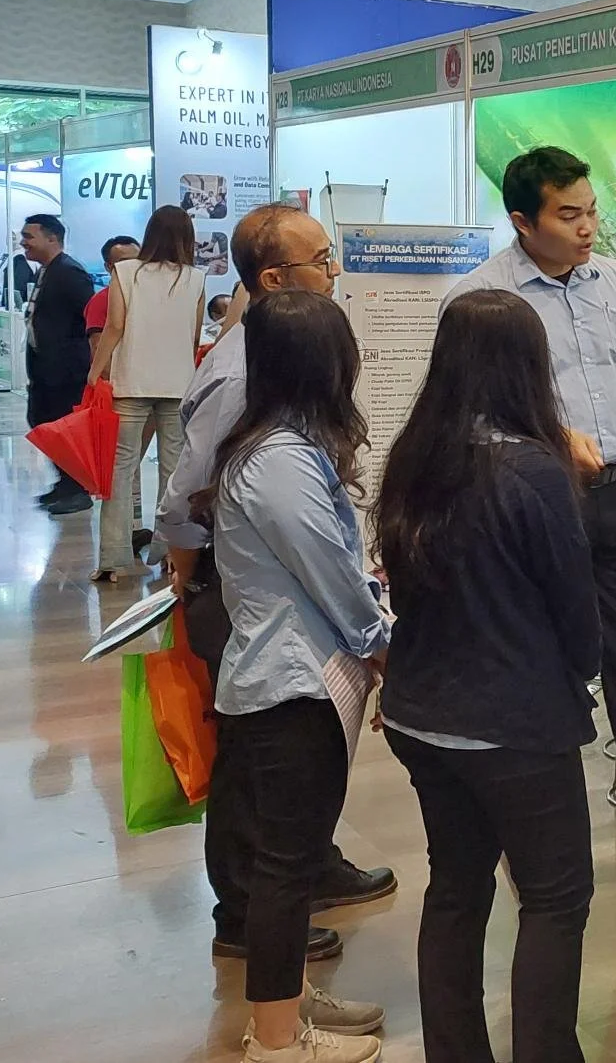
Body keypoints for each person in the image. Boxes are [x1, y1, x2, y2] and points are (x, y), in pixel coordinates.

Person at [448, 146, 616, 892]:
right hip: (530, 505)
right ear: (522, 221)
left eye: (592, 211)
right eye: (569, 216)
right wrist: (545, 439)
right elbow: (461, 416)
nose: (588, 228)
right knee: (538, 664)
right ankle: (532, 837)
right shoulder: (480, 300)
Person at [159, 204, 397, 963]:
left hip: (281, 605)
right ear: (272, 278)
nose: (335, 271)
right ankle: (249, 916)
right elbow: (189, 492)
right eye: (322, 259)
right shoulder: (251, 392)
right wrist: (188, 570)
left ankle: (296, 879)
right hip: (256, 606)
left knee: (290, 789)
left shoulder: (280, 396)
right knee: (257, 773)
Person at [375, 290, 599, 1063]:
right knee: (556, 897)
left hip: (421, 712)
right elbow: (577, 613)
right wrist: (585, 668)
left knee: (456, 886)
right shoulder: (535, 472)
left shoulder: (414, 458)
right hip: (514, 723)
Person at [198, 289, 390, 1063]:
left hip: (287, 680)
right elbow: (330, 575)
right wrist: (383, 643)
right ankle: (277, 1040)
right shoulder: (280, 461)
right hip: (290, 687)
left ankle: (287, 1000)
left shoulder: (279, 448)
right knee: (286, 866)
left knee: (292, 858)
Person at [89, 209, 206, 584]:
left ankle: (112, 560)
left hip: (131, 383)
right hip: (178, 384)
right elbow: (193, 337)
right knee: (174, 475)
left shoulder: (126, 272)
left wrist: (95, 371)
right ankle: (172, 554)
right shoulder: (195, 278)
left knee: (120, 472)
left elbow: (115, 326)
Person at [22, 213, 96, 516]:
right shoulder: (47, 271)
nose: (23, 242)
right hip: (44, 369)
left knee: (66, 430)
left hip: (67, 372)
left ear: (52, 239)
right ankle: (65, 483)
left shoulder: (70, 273)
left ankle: (78, 489)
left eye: (29, 236)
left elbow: (90, 317)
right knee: (42, 421)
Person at [84, 236, 141, 361]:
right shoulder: (101, 301)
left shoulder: (149, 295)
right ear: (108, 267)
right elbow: (98, 349)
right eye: (125, 262)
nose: (133, 267)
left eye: (138, 261)